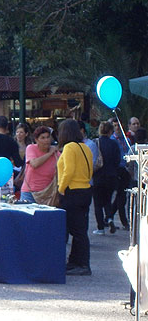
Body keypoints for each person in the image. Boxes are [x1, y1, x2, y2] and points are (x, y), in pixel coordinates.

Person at [56, 118, 93, 276]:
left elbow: (68, 170)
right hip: (85, 189)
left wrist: (61, 188)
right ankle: (76, 261)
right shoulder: (85, 147)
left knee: (74, 230)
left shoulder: (69, 147)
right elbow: (90, 169)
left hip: (72, 191)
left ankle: (82, 263)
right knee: (80, 228)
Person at [91, 121, 122, 235]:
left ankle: (100, 228)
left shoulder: (95, 142)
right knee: (107, 200)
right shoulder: (114, 144)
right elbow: (118, 160)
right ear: (110, 131)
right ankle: (109, 218)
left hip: (99, 176)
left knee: (98, 203)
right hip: (112, 176)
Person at [20, 126, 59, 203]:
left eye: (48, 137)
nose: (46, 140)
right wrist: (49, 153)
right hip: (29, 193)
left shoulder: (56, 154)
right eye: (43, 138)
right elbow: (34, 163)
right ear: (36, 140)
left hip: (47, 194)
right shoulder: (30, 148)